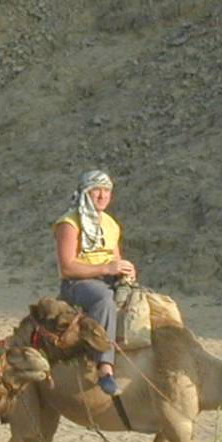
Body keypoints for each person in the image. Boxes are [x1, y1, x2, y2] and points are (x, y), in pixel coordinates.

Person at [53, 169, 134, 396]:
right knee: (104, 299)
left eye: (107, 190)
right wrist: (105, 269)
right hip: (78, 283)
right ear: (85, 192)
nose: (102, 195)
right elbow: (67, 267)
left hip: (106, 277)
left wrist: (124, 270)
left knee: (144, 300)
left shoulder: (110, 224)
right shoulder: (69, 223)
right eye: (97, 189)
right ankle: (104, 366)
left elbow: (115, 258)